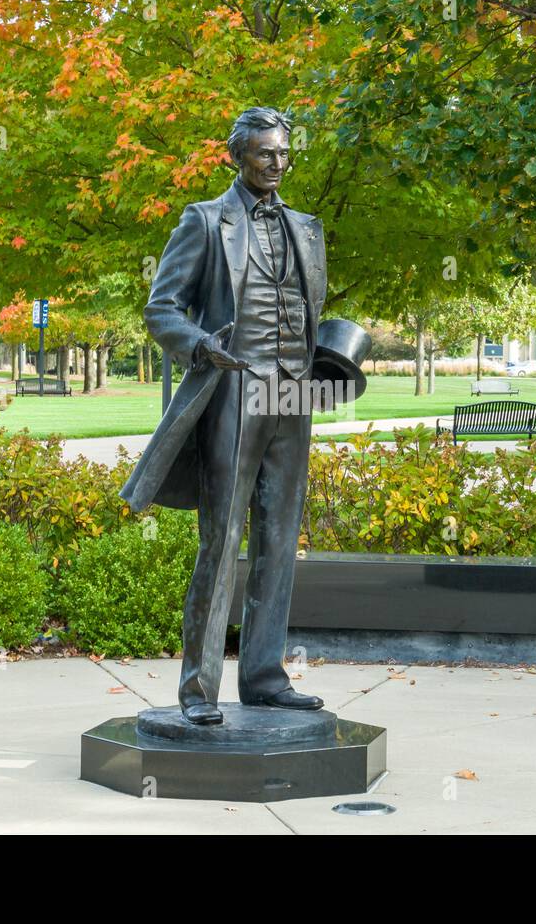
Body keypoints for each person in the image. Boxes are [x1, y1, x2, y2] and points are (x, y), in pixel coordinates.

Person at [119, 107, 326, 726]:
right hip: (234, 388)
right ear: (236, 155)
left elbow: (308, 309)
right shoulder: (205, 222)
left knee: (280, 541)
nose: (277, 163)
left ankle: (264, 678)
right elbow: (163, 309)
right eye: (265, 153)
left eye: (284, 153)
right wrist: (203, 344)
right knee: (221, 539)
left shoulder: (308, 228)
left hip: (294, 393)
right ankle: (198, 689)